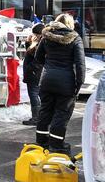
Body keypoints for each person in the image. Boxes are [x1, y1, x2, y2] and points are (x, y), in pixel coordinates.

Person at [35, 13, 85, 155]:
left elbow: (38, 58)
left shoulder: (46, 36)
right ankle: (56, 145)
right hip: (66, 83)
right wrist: (78, 85)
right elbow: (80, 65)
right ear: (70, 24)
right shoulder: (75, 39)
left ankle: (41, 142)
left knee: (45, 110)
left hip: (47, 80)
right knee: (61, 114)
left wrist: (50, 68)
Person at [22, 23, 44, 126]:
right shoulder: (38, 42)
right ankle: (39, 117)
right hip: (35, 73)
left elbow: (36, 58)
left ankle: (36, 118)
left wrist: (29, 68)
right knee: (37, 95)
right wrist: (28, 43)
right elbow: (30, 53)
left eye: (35, 33)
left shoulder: (40, 43)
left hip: (34, 73)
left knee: (34, 95)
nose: (33, 35)